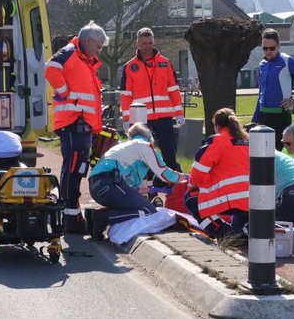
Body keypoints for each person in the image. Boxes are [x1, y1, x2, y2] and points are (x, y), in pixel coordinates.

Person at [45, 21, 106, 233]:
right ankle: (69, 217)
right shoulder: (70, 52)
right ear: (88, 41)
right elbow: (51, 68)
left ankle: (72, 213)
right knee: (72, 167)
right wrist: (63, 91)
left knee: (78, 167)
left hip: (82, 123)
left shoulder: (86, 60)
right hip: (73, 122)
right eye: (98, 46)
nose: (100, 51)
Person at [88, 123, 188, 232]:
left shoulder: (126, 149)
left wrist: (152, 189)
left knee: (131, 207)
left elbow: (129, 190)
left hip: (96, 186)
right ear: (150, 137)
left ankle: (93, 217)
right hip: (110, 183)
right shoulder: (144, 145)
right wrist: (188, 177)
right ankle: (103, 217)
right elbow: (165, 174)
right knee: (148, 211)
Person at [119, 27, 184, 171]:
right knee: (142, 154)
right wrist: (126, 119)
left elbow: (174, 90)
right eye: (144, 43)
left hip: (164, 116)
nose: (147, 46)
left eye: (150, 42)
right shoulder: (130, 67)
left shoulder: (165, 63)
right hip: (141, 119)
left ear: (153, 42)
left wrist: (179, 113)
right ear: (137, 43)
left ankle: (173, 184)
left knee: (169, 152)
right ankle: (145, 185)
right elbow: (126, 96)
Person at [186, 108, 250, 238]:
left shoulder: (218, 140)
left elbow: (199, 170)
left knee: (190, 198)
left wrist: (191, 184)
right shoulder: (247, 140)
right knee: (239, 230)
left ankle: (221, 233)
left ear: (217, 125)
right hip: (252, 198)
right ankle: (239, 233)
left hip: (230, 197)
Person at [251, 28, 294, 134]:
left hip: (281, 116)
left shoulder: (287, 61)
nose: (268, 51)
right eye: (265, 48)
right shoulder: (262, 64)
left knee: (281, 150)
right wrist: (255, 118)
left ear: (279, 46)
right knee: (262, 150)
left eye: (272, 48)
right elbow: (261, 92)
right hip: (263, 116)